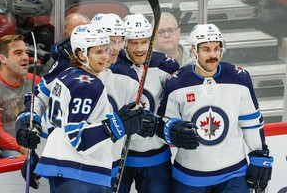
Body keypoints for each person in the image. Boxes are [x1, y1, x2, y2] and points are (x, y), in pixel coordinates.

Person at [17, 24, 145, 192]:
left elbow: (55, 127)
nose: (105, 56)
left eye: (106, 50)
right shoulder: (88, 85)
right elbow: (78, 138)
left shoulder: (65, 76)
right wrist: (116, 125)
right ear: (80, 53)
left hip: (64, 173)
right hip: (81, 174)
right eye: (98, 52)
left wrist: (37, 155)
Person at [157, 23, 273, 192]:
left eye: (216, 48)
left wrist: (259, 156)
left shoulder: (239, 78)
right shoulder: (177, 83)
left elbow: (251, 124)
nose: (213, 55)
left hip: (233, 174)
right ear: (194, 51)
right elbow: (163, 125)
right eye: (206, 49)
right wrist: (172, 130)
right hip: (189, 176)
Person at [111, 13, 180, 193]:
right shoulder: (112, 66)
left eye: (145, 42)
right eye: (134, 43)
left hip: (156, 155)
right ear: (125, 42)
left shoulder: (166, 65)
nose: (141, 48)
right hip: (119, 157)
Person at [0, 34, 39, 158]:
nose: (26, 57)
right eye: (18, 53)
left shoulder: (35, 82)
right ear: (2, 58)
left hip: (33, 142)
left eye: (27, 52)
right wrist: (22, 148)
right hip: (8, 148)